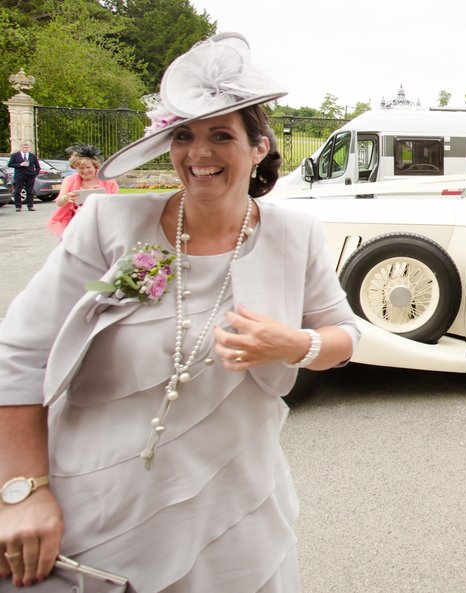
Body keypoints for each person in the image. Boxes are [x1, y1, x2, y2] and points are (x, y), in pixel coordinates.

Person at [0, 33, 359, 591]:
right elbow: (20, 353)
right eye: (184, 136)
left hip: (237, 521)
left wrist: (297, 345)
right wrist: (23, 490)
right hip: (95, 513)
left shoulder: (297, 235)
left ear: (257, 146)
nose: (200, 154)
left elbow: (345, 335)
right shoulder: (109, 228)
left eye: (221, 135)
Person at [46, 145, 120, 238]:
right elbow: (59, 203)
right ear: (76, 168)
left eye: (88, 167)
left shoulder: (109, 182)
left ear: (95, 166)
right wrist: (67, 197)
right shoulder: (69, 180)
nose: (85, 171)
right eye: (81, 168)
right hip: (74, 224)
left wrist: (100, 197)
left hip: (101, 224)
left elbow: (116, 205)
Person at [6, 141, 40, 212]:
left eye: (26, 147)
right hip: (19, 176)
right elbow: (10, 164)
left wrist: (35, 174)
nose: (25, 149)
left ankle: (30, 206)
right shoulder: (15, 155)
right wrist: (20, 165)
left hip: (30, 176)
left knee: (30, 191)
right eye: (23, 147)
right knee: (18, 191)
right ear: (20, 148)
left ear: (29, 148)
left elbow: (37, 167)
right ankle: (18, 206)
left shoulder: (32, 156)